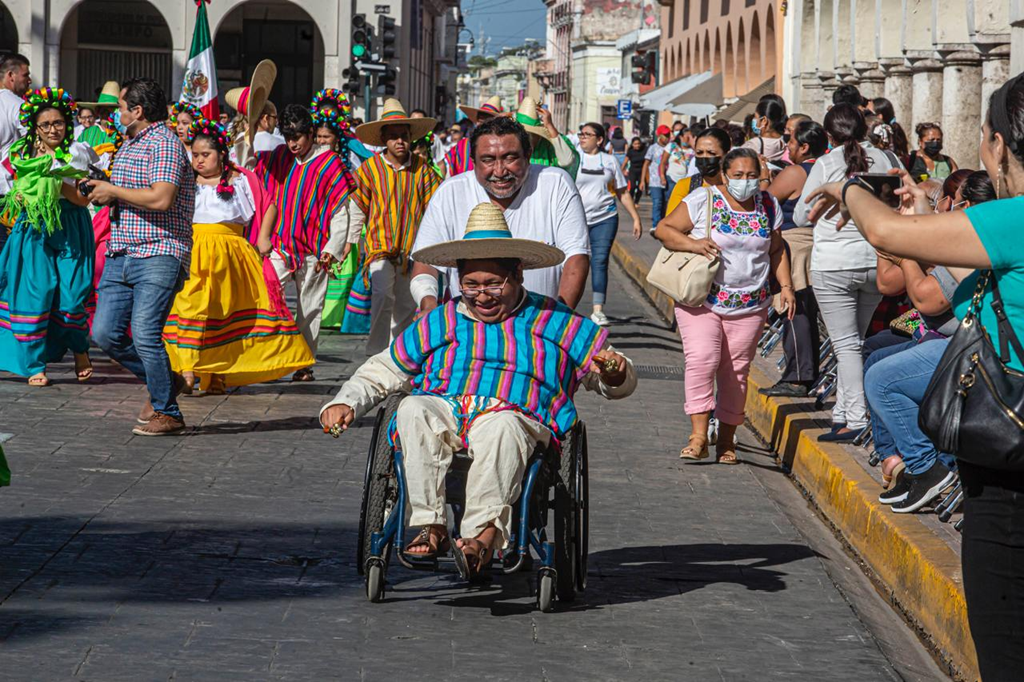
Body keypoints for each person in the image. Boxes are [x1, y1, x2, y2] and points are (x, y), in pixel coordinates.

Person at [802, 73, 1024, 677]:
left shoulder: (1013, 220)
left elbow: (882, 231)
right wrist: (927, 216)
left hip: (1010, 462)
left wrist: (848, 185)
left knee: (1006, 647)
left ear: (999, 145)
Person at [319, 203, 636, 574]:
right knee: (411, 408)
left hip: (516, 415)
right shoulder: (443, 318)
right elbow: (388, 367)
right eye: (471, 285)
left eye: (492, 284)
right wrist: (347, 401)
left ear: (517, 274)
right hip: (445, 409)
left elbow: (614, 378)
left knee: (501, 427)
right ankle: (429, 524)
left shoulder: (556, 320)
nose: (481, 296)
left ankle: (482, 538)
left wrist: (614, 372)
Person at [655, 147, 795, 464]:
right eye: (738, 175)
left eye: (752, 176)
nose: (746, 182)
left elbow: (776, 249)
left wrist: (785, 286)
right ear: (724, 174)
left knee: (735, 373)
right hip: (701, 300)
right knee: (703, 359)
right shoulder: (702, 200)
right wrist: (693, 243)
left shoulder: (769, 205)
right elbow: (664, 229)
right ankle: (698, 436)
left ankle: (727, 442)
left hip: (750, 305)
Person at [866, 170, 994, 510]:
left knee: (881, 377)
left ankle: (928, 467)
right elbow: (887, 283)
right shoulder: (963, 240)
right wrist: (904, 232)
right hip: (947, 337)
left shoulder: (974, 242)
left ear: (963, 205)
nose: (942, 211)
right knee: (876, 357)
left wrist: (905, 243)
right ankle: (906, 463)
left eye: (943, 203)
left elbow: (925, 299)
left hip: (975, 348)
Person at [161, 118, 314, 393]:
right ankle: (186, 370)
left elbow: (269, 206)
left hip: (231, 256)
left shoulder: (242, 178)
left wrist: (264, 238)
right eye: (195, 155)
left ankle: (217, 372)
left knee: (222, 313)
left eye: (205, 155)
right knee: (189, 308)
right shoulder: (184, 180)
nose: (198, 161)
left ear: (221, 154)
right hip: (193, 252)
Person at [86, 77, 197, 436]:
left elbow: (161, 197)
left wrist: (112, 189)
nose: (117, 113)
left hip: (159, 250)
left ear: (138, 110)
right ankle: (166, 381)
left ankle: (168, 411)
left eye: (121, 107)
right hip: (122, 250)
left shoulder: (164, 144)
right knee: (105, 333)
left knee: (146, 332)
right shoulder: (131, 142)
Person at [794, 102, 902, 443]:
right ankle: (842, 412)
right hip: (877, 260)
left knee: (845, 345)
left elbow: (801, 215)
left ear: (828, 135)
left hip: (834, 264)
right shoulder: (888, 160)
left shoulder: (826, 162)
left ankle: (855, 418)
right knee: (855, 341)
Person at [410, 115, 590, 314]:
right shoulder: (450, 192)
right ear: (473, 161)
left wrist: (558, 321)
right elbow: (425, 262)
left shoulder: (556, 184)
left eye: (510, 157)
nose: (500, 171)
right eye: (488, 160)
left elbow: (576, 257)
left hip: (539, 322)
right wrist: (429, 307)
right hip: (466, 328)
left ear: (528, 155)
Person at [252, 104, 357, 381]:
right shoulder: (280, 157)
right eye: (287, 137)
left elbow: (340, 211)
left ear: (310, 133)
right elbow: (249, 164)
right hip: (281, 245)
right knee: (264, 291)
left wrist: (332, 250)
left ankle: (304, 364)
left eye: (297, 137)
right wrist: (246, 126)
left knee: (310, 308)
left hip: (314, 251)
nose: (292, 143)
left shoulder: (331, 163)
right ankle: (266, 352)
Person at [0, 88, 95, 386]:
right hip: (34, 229)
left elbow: (83, 199)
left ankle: (80, 349)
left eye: (59, 123)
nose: (54, 129)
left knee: (72, 295)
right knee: (36, 293)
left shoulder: (77, 152)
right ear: (35, 128)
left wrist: (56, 182)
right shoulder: (19, 154)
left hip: (71, 225)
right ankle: (34, 364)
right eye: (46, 124)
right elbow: (16, 191)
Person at [350, 99, 441, 355]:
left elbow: (436, 206)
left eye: (403, 136)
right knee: (381, 296)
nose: (399, 142)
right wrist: (348, 241)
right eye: (393, 137)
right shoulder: (369, 170)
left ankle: (397, 354)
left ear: (410, 138)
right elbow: (357, 208)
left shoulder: (423, 170)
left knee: (404, 304)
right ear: (384, 140)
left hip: (412, 252)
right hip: (379, 249)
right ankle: (375, 351)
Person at [760, 120, 829, 397]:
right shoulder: (827, 168)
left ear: (804, 146)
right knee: (806, 312)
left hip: (796, 246)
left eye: (791, 143)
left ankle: (798, 375)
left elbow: (766, 201)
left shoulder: (796, 172)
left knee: (795, 311)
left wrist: (765, 176)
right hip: (819, 245)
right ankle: (806, 372)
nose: (787, 147)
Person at [575, 121, 643, 326]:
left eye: (587, 134)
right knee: (574, 262)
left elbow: (622, 191)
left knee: (600, 261)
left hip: (605, 217)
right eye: (581, 134)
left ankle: (598, 310)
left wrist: (635, 217)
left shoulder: (610, 161)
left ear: (600, 139)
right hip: (575, 219)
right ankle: (565, 306)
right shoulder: (573, 158)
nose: (583, 137)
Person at [663, 126, 733, 218]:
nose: (704, 157)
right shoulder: (686, 186)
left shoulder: (737, 188)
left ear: (726, 155)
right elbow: (668, 226)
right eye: (699, 152)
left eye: (711, 153)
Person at [0, 54, 30, 160]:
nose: (29, 80)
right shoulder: (19, 105)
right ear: (11, 75)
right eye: (25, 75)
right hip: (8, 175)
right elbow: (32, 140)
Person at [742, 96, 788, 163]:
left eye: (755, 117)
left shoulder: (753, 144)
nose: (754, 120)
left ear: (764, 120)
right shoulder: (784, 143)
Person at [641, 125, 670, 227]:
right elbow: (646, 164)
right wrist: (642, 180)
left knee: (665, 204)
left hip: (668, 180)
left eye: (668, 135)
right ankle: (656, 224)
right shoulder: (653, 148)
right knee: (657, 202)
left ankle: (663, 223)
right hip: (655, 180)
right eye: (665, 135)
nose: (667, 137)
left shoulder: (671, 148)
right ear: (659, 135)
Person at [660, 125, 696, 200]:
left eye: (691, 137)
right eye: (687, 137)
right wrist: (662, 176)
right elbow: (663, 162)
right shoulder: (672, 146)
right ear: (681, 137)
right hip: (671, 179)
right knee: (670, 200)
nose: (689, 139)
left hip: (685, 180)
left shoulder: (693, 150)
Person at [624, 136, 647, 203]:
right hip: (633, 171)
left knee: (640, 187)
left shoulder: (644, 150)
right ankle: (631, 199)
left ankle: (636, 201)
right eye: (635, 144)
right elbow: (625, 162)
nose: (637, 145)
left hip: (642, 171)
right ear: (632, 144)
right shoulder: (630, 152)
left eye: (638, 144)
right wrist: (623, 170)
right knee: (632, 186)